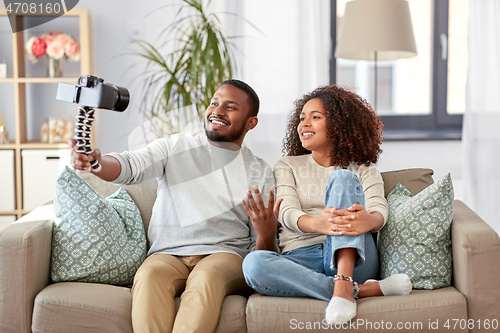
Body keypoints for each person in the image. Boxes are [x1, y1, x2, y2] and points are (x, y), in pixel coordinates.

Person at [70, 79, 278, 333]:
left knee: (206, 278)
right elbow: (130, 166)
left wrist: (266, 234)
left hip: (225, 255)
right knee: (148, 276)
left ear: (250, 122)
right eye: (214, 103)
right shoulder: (175, 147)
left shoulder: (259, 171)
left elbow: (263, 255)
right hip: (168, 254)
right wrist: (97, 163)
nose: (218, 111)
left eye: (230, 107)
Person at [242, 84, 412, 325]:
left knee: (342, 178)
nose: (305, 124)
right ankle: (359, 291)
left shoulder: (363, 169)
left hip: (355, 258)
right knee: (253, 264)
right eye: (302, 118)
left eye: (316, 117)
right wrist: (316, 223)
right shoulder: (287, 165)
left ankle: (345, 280)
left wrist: (370, 220)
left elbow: (378, 209)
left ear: (340, 125)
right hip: (301, 258)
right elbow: (286, 211)